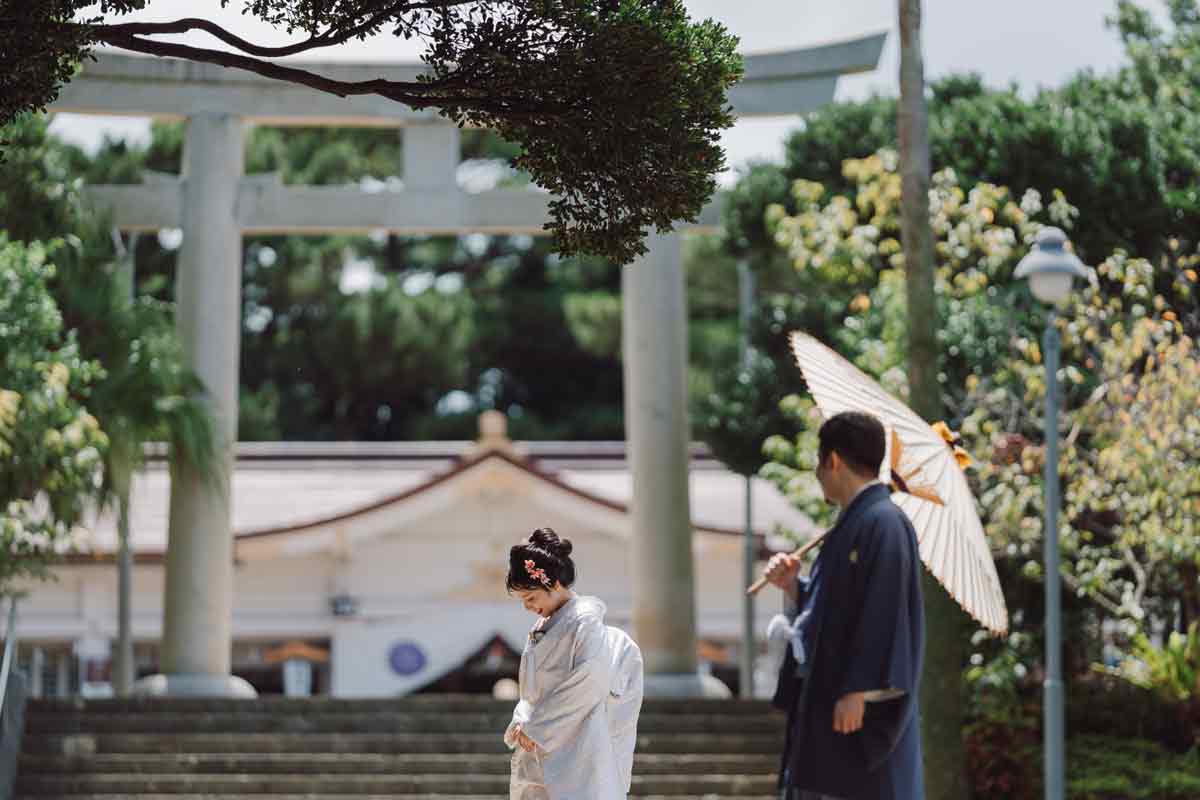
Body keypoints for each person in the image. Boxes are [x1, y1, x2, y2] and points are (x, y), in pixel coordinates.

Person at [763, 411, 925, 800]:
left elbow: (885, 612)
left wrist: (860, 689)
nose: (818, 474)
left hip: (857, 713)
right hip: (827, 703)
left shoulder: (884, 522)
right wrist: (795, 587)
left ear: (832, 460)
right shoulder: (854, 523)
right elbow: (834, 610)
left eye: (819, 463)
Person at [504, 527, 644, 800]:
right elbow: (530, 693)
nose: (528, 607)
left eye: (531, 598)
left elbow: (589, 683)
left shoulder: (584, 622)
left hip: (578, 745)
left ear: (554, 583)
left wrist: (538, 728)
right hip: (543, 743)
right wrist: (522, 721)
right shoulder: (542, 627)